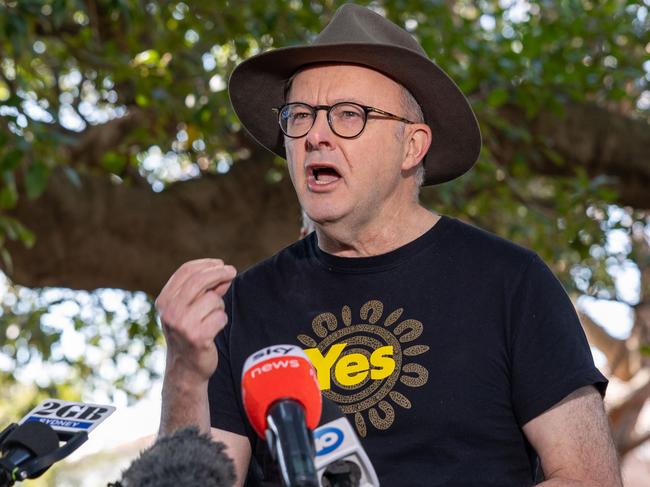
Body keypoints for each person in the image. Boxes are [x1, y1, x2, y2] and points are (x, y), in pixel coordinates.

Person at [155, 4, 622, 486]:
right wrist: (185, 373)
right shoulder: (243, 305)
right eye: (300, 115)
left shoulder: (510, 282)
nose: (315, 135)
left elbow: (592, 479)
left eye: (348, 115)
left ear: (412, 146)